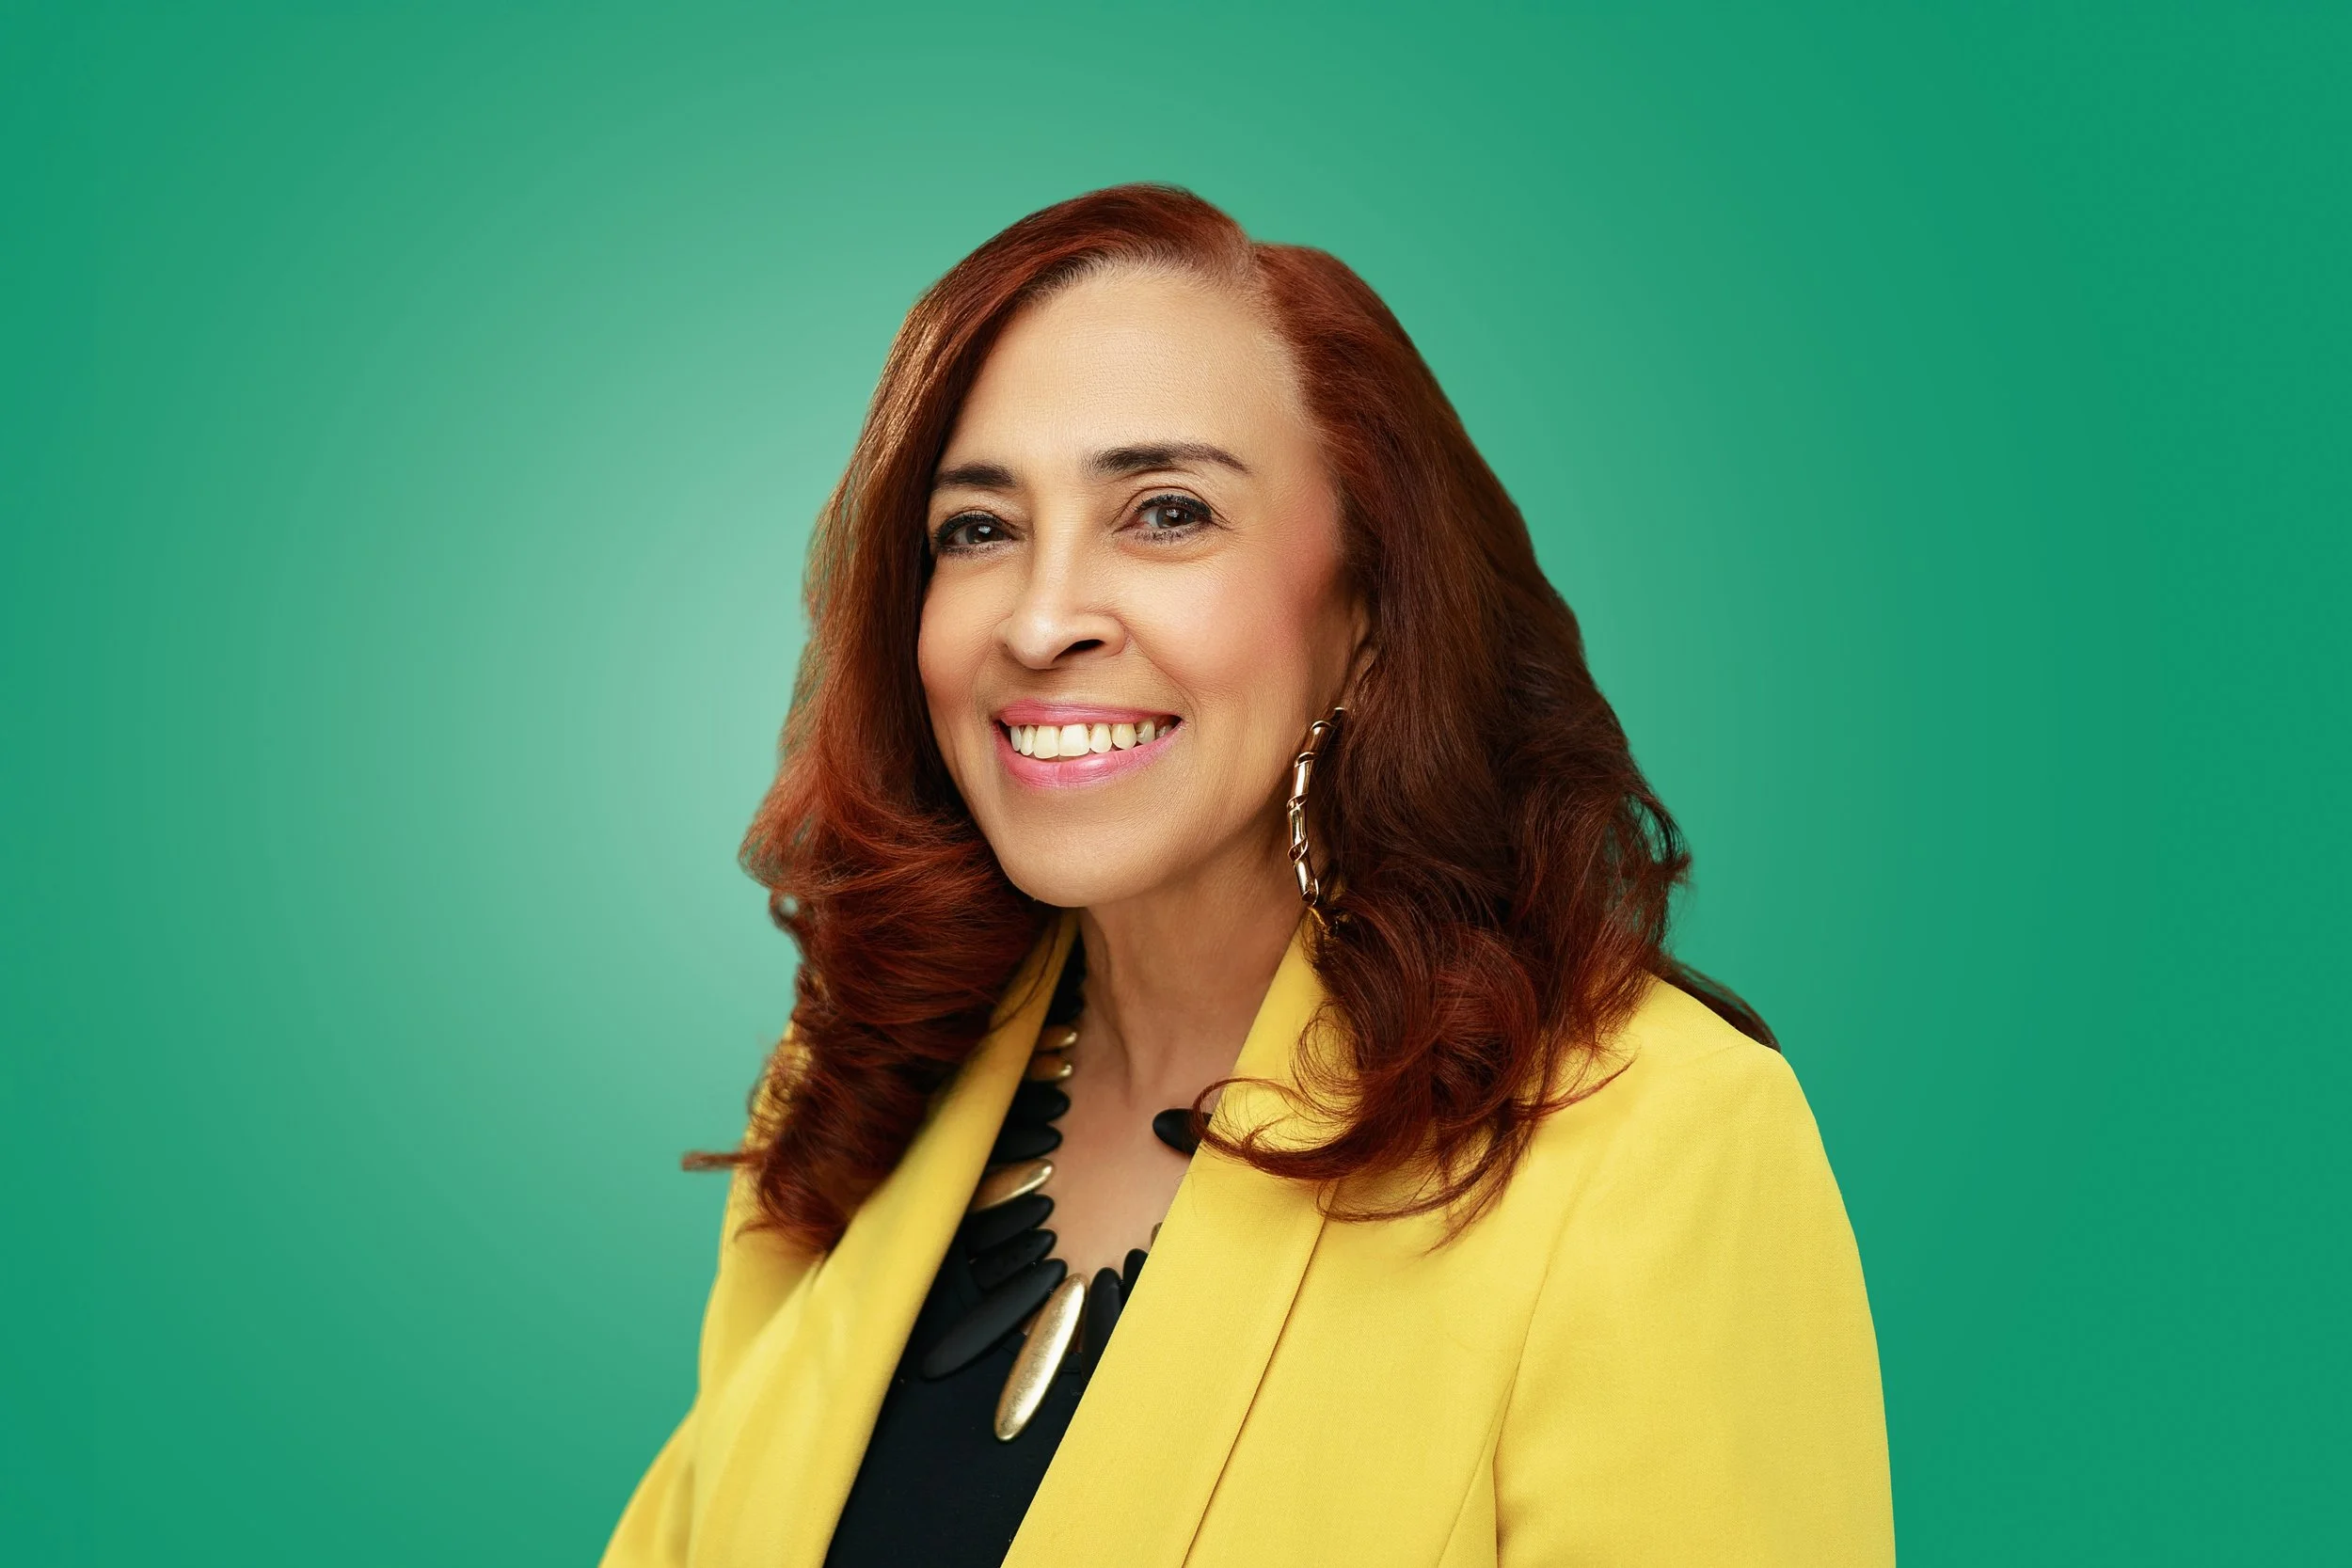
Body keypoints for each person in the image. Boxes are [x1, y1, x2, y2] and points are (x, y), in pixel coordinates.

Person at [601, 183, 1892, 1568]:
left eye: (1166, 512)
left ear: (1368, 613)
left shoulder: (1659, 1150)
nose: (1040, 619)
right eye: (978, 528)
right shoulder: (855, 1081)